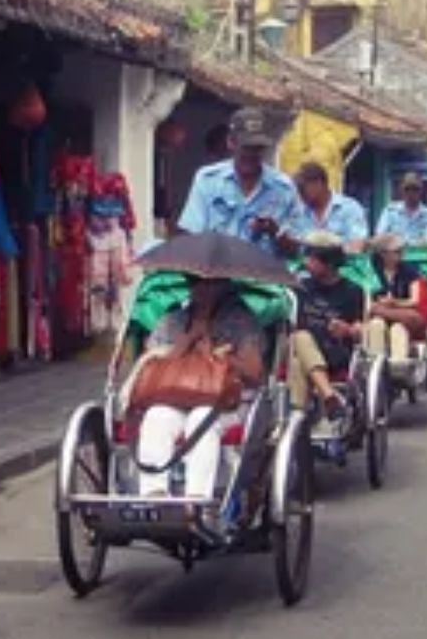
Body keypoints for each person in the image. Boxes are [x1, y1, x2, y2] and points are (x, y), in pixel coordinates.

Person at [129, 276, 268, 500]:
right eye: (195, 283)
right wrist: (190, 337)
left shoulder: (241, 321)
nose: (201, 289)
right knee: (157, 416)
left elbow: (255, 373)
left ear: (222, 286)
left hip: (227, 401)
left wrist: (218, 357)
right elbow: (155, 365)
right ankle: (154, 494)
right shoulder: (173, 320)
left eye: (209, 284)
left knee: (201, 419)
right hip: (176, 396)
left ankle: (197, 498)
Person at [175, 106, 299, 254]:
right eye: (246, 147)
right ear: (231, 142)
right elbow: (192, 236)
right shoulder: (208, 180)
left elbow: (297, 251)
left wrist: (275, 232)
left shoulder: (284, 188)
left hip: (265, 274)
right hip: (218, 274)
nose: (252, 154)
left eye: (257, 148)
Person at [288, 231, 367, 419]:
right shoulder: (299, 288)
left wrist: (347, 330)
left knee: (300, 347)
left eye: (312, 258)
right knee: (297, 353)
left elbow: (360, 330)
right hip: (302, 349)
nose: (307, 262)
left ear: (329, 262)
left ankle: (302, 417)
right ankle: (326, 398)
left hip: (334, 350)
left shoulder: (352, 291)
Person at [279, 161, 370, 255]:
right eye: (297, 190)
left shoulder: (350, 209)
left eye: (302, 189)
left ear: (319, 184)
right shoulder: (298, 212)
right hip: (305, 267)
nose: (299, 194)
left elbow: (358, 245)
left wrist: (330, 248)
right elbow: (295, 246)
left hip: (341, 267)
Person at [367, 234, 427, 362]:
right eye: (397, 251)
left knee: (397, 329)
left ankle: (398, 366)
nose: (401, 254)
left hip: (403, 316)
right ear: (383, 254)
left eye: (402, 250)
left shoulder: (410, 270)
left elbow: (414, 301)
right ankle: (375, 364)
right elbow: (367, 298)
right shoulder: (372, 271)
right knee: (375, 325)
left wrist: (394, 302)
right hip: (380, 317)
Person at [374, 172, 427, 245]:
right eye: (407, 189)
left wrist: (395, 240)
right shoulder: (390, 211)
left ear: (421, 191)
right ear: (401, 190)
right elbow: (379, 238)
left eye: (415, 189)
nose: (411, 193)